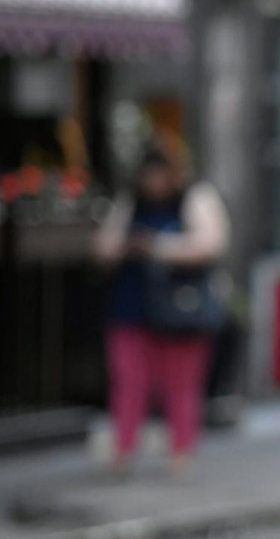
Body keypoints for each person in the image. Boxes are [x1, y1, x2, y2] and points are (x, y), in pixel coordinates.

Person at [93, 145, 230, 477]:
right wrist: (124, 247)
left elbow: (213, 243)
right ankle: (122, 450)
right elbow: (102, 247)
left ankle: (181, 452)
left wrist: (158, 247)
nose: (153, 181)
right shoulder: (131, 203)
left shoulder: (194, 197)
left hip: (180, 309)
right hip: (133, 306)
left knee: (181, 384)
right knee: (128, 381)